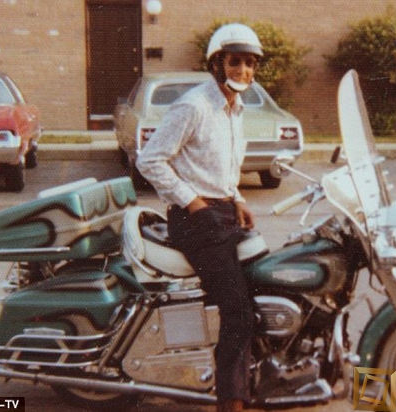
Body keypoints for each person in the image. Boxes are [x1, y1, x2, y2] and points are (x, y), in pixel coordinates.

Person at [136, 23, 263, 412]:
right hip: (195, 220)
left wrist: (237, 197)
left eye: (250, 63)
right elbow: (150, 160)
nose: (244, 70)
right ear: (217, 64)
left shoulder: (235, 108)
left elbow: (220, 167)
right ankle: (230, 402)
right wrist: (193, 203)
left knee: (262, 284)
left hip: (221, 212)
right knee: (238, 311)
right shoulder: (194, 106)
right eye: (235, 61)